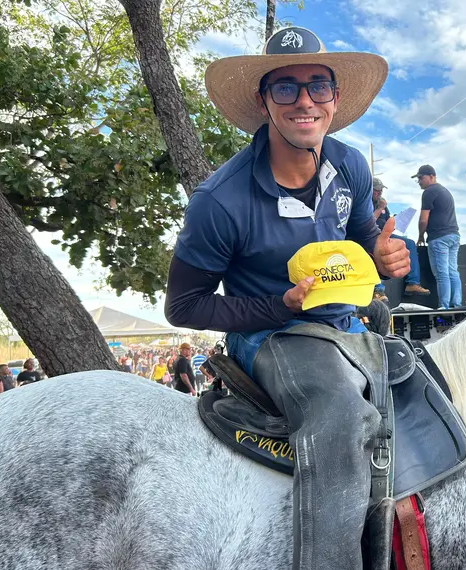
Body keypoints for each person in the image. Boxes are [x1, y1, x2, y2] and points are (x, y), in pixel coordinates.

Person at [164, 26, 407, 570]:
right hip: (271, 337)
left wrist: (386, 260)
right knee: (341, 417)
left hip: (348, 327)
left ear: (335, 99)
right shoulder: (220, 201)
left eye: (318, 86)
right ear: (263, 101)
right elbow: (183, 307)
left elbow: (365, 243)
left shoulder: (350, 165)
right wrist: (281, 306)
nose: (304, 101)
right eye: (285, 88)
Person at [372, 177, 429, 302]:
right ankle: (377, 290)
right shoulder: (365, 202)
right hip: (370, 236)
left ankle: (412, 283)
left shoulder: (383, 206)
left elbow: (386, 222)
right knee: (377, 247)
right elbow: (366, 223)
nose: (379, 193)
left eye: (381, 190)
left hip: (385, 234)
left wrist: (396, 220)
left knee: (408, 243)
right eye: (376, 190)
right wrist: (379, 209)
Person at [414, 164, 461, 309]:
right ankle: (457, 304)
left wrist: (421, 236)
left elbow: (423, 219)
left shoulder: (429, 192)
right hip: (454, 235)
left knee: (442, 273)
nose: (420, 181)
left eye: (421, 178)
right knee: (452, 270)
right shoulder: (445, 191)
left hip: (439, 237)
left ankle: (444, 306)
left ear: (432, 176)